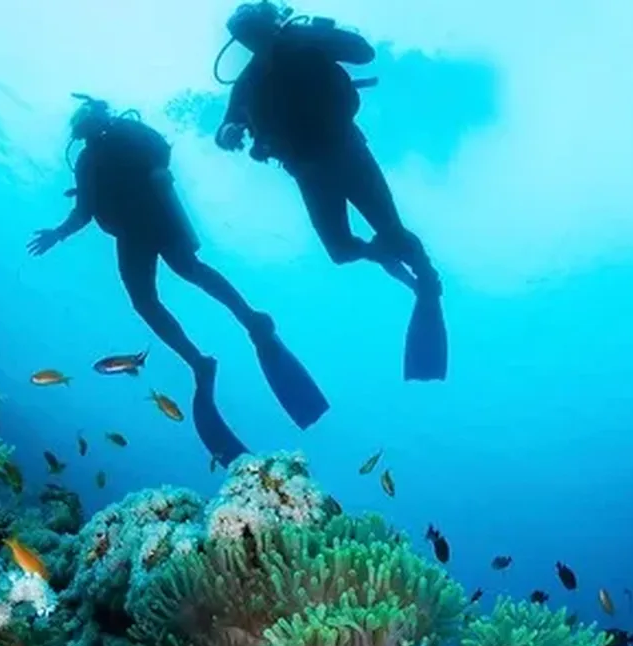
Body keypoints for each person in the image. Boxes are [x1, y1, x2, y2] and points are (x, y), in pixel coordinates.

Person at [28, 96, 328, 463]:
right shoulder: (100, 152)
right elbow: (88, 209)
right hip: (146, 224)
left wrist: (59, 232)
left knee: (170, 286)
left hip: (147, 223)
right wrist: (59, 233)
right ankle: (235, 331)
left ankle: (219, 345)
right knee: (176, 282)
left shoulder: (105, 146)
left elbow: (92, 206)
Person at [214, 3, 447, 380]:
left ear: (269, 25)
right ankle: (391, 261)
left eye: (254, 32)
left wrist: (316, 34)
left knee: (392, 230)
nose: (252, 41)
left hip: (348, 152)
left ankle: (426, 279)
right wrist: (228, 134)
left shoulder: (308, 41)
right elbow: (227, 124)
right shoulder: (249, 81)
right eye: (245, 38)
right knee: (340, 250)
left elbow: (363, 53)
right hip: (309, 172)